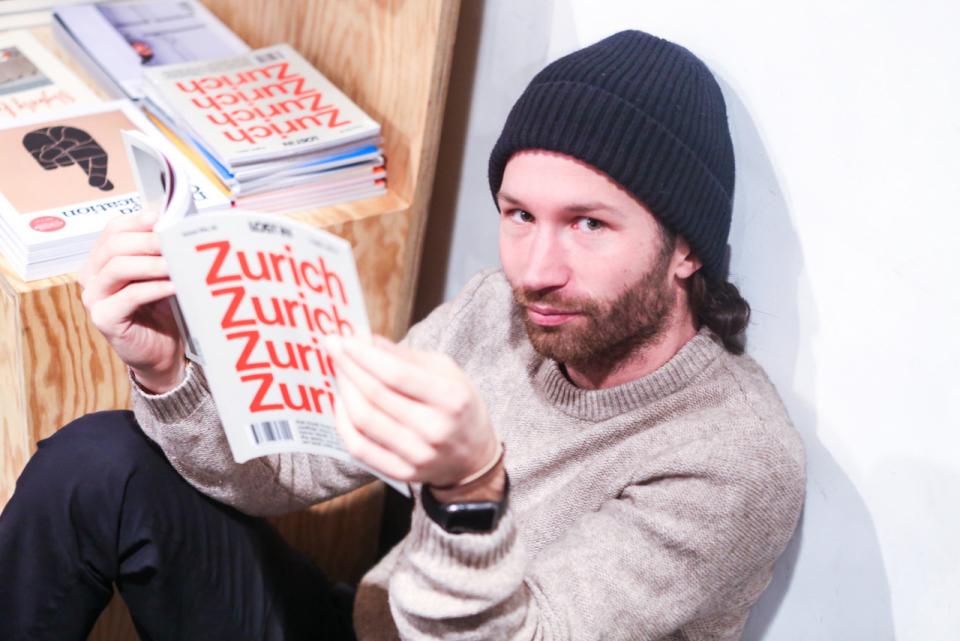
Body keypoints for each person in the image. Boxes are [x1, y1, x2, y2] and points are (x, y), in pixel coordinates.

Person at [0, 30, 805, 641]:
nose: (537, 268)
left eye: (589, 224)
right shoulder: (501, 311)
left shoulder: (730, 458)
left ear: (687, 248)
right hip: (368, 624)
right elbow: (293, 466)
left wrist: (470, 493)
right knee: (98, 464)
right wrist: (171, 371)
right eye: (519, 215)